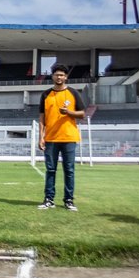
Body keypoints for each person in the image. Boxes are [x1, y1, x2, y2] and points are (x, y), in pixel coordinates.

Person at [37, 64, 85, 211]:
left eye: (62, 75)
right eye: (57, 75)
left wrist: (69, 112)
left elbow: (82, 114)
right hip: (51, 138)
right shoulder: (46, 94)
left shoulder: (73, 93)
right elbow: (41, 118)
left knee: (69, 170)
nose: (59, 77)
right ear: (52, 76)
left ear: (66, 77)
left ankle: (69, 200)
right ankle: (48, 199)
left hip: (69, 137)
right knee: (50, 170)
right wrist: (41, 137)